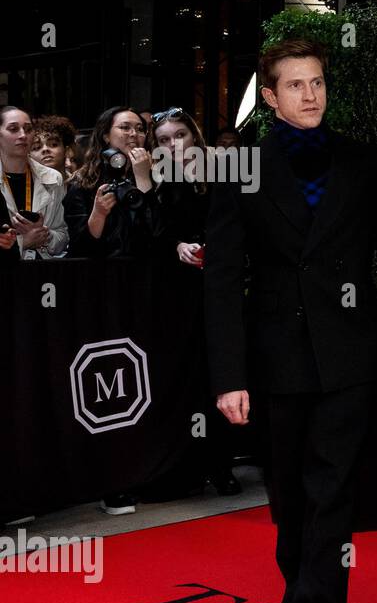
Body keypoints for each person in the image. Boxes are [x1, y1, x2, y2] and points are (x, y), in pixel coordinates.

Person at [205, 39, 377, 603]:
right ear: (272, 96)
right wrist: (229, 377)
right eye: (296, 85)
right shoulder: (242, 170)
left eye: (318, 83)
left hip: (347, 356)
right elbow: (223, 279)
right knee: (289, 495)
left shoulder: (360, 161)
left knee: (331, 491)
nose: (311, 95)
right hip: (277, 356)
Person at [154, 107, 241, 498]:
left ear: (195, 136)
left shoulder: (223, 174)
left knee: (220, 376)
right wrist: (175, 245)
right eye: (164, 140)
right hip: (173, 294)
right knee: (182, 381)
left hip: (220, 289)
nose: (174, 145)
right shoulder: (155, 181)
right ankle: (183, 467)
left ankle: (221, 464)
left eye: (180, 136)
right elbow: (147, 234)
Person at [62, 107, 162, 259]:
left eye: (140, 129)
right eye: (125, 127)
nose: (134, 134)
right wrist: (99, 214)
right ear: (106, 136)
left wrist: (143, 177)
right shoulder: (83, 181)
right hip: (100, 272)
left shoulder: (158, 176)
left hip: (144, 270)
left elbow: (158, 234)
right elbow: (80, 247)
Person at [0, 106, 68, 260]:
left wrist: (45, 235)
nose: (23, 135)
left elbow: (63, 236)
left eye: (28, 129)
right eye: (13, 129)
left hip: (41, 272)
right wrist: (23, 242)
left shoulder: (52, 177)